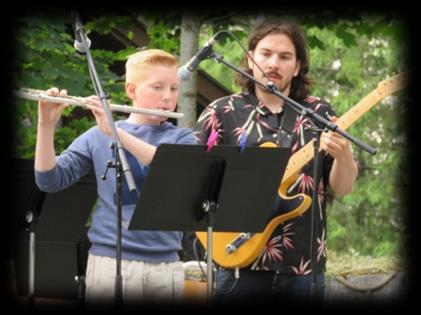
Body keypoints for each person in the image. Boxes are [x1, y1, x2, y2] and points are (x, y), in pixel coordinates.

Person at [193, 20, 359, 303]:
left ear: (297, 67)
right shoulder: (221, 112)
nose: (273, 63)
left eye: (285, 57)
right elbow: (195, 182)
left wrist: (343, 154)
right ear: (250, 58)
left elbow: (343, 188)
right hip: (237, 261)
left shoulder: (320, 112)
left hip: (303, 265)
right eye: (265, 53)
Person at [34, 49, 197, 306]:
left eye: (174, 88)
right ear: (131, 90)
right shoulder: (98, 134)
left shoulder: (182, 138)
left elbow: (167, 166)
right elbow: (49, 180)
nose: (168, 97)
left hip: (165, 264)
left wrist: (116, 134)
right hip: (109, 261)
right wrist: (45, 125)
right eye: (158, 87)